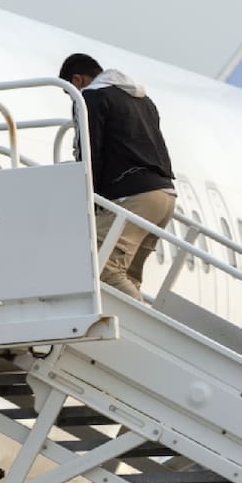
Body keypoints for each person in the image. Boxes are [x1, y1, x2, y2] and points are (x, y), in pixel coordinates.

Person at [59, 53, 177, 299]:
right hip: (164, 196)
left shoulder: (90, 97)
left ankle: (147, 329)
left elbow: (89, 154)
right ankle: (132, 331)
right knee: (128, 278)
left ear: (77, 80)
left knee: (100, 270)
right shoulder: (143, 100)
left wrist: (89, 199)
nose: (73, 98)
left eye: (70, 92)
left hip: (132, 197)